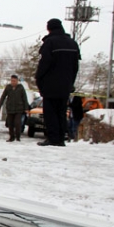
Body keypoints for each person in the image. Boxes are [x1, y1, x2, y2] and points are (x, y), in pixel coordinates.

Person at [35, 18, 80, 146]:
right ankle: (60, 138)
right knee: (61, 112)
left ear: (49, 28)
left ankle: (53, 138)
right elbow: (75, 67)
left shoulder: (50, 43)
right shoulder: (72, 43)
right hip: (66, 85)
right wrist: (70, 82)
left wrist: (39, 79)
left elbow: (44, 64)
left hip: (50, 85)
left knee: (50, 113)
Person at [0, 75, 30, 142]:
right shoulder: (8, 87)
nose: (13, 82)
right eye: (12, 80)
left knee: (17, 123)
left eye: (14, 81)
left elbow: (25, 98)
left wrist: (26, 108)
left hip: (19, 109)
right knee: (10, 123)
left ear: (17, 81)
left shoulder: (20, 88)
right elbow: (3, 97)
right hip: (10, 108)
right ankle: (12, 137)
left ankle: (18, 136)